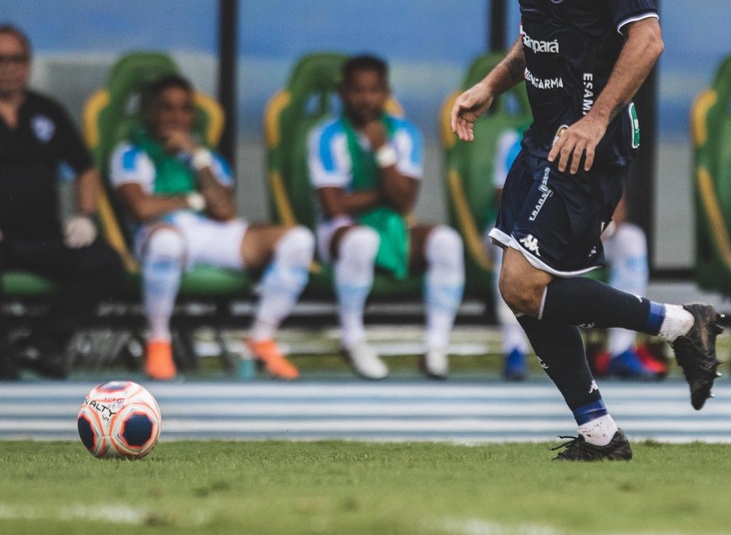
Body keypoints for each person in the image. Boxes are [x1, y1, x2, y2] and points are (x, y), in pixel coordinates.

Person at [450, 0, 722, 462]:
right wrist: (492, 83)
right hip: (544, 136)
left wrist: (596, 119)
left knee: (523, 284)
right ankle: (599, 429)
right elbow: (539, 36)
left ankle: (681, 324)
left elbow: (648, 38)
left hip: (584, 143)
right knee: (525, 292)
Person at [110, 74, 314, 381]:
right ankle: (159, 340)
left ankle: (261, 337)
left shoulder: (206, 157)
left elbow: (224, 211)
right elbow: (142, 208)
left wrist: (197, 156)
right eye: (166, 108)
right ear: (151, 112)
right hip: (160, 234)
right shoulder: (130, 153)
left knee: (298, 240)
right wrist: (194, 199)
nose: (175, 117)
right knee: (167, 243)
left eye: (183, 109)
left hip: (210, 234)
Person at [308, 54, 465, 380]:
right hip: (339, 232)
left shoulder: (405, 134)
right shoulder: (325, 136)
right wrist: (384, 193)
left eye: (374, 90)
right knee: (362, 240)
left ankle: (436, 347)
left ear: (386, 92)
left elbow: (405, 201)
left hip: (393, 226)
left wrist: (383, 152)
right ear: (342, 93)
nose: (366, 99)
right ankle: (353, 340)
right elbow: (334, 207)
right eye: (357, 90)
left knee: (447, 242)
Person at [490, 126, 666, 381]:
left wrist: (592, 229)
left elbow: (618, 208)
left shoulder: (601, 136)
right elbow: (506, 202)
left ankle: (621, 349)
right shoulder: (515, 139)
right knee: (506, 246)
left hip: (585, 234)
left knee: (631, 239)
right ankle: (514, 349)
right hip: (530, 233)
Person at [0, 23, 124, 379]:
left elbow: (85, 168)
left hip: (44, 237)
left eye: (17, 59)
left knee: (105, 262)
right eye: (1, 59)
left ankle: (42, 343)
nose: (9, 67)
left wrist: (84, 215)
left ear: (28, 63)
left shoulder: (47, 111)